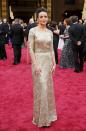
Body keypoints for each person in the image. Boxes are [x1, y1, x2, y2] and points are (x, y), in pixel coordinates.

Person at [28, 7, 57, 127]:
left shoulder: (50, 32)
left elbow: (52, 49)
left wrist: (54, 63)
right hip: (38, 61)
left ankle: (48, 115)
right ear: (37, 18)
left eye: (45, 16)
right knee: (42, 88)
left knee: (48, 89)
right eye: (41, 17)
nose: (44, 18)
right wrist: (35, 65)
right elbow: (30, 49)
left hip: (48, 62)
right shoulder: (33, 31)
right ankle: (41, 118)